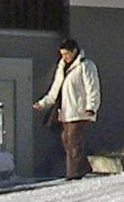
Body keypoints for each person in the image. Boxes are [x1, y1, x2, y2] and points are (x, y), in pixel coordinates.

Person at [35, 37, 100, 181]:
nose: (65, 57)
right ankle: (84, 167)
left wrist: (91, 106)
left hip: (80, 111)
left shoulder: (85, 66)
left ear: (74, 51)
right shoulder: (62, 67)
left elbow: (92, 87)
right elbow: (55, 89)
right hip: (66, 112)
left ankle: (74, 173)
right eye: (62, 54)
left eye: (67, 54)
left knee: (73, 140)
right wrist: (43, 103)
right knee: (66, 139)